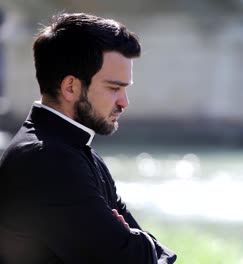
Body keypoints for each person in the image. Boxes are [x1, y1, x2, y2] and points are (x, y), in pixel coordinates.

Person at [0, 13, 176, 264]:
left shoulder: (77, 152)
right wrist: (136, 240)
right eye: (114, 88)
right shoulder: (48, 159)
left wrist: (133, 239)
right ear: (70, 87)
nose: (124, 102)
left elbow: (151, 254)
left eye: (125, 88)